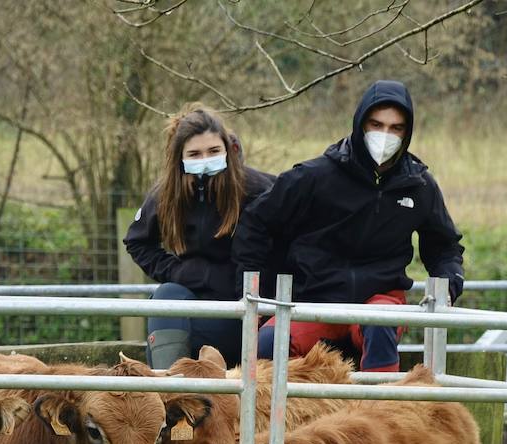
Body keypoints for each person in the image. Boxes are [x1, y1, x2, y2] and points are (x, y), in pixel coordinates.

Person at [232, 79, 464, 372]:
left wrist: (450, 281)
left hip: (380, 298)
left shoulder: (419, 186)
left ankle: (380, 414)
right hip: (313, 299)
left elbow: (444, 246)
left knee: (380, 326)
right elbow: (256, 222)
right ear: (360, 124)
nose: (385, 135)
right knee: (267, 344)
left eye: (396, 129)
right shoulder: (314, 177)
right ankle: (281, 416)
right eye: (376, 125)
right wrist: (256, 294)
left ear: (407, 133)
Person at [125, 104, 274, 369]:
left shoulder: (256, 189)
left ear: (227, 150)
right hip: (196, 302)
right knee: (167, 297)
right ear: (179, 158)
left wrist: (258, 298)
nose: (205, 159)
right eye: (194, 154)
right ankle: (170, 393)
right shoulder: (167, 194)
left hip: (248, 310)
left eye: (213, 151)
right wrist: (179, 271)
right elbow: (137, 241)